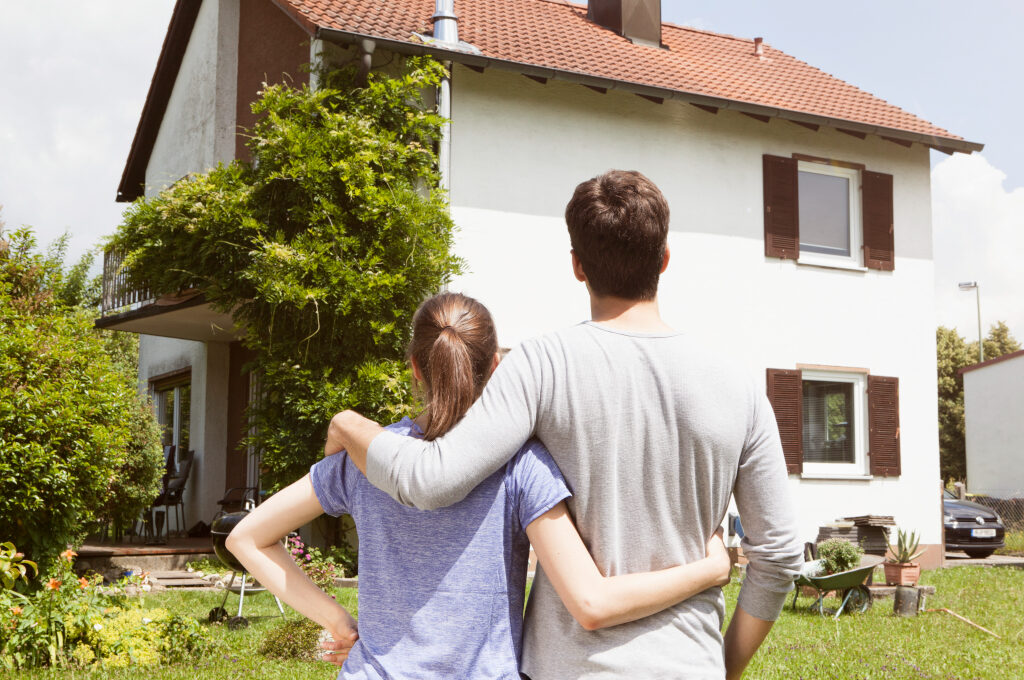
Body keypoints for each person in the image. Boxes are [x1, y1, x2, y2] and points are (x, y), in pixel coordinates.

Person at [323, 171, 805, 679]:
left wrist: (349, 424)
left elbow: (432, 480)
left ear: (577, 266)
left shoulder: (542, 365)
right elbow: (779, 554)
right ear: (664, 260)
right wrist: (722, 668)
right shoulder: (738, 384)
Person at [227, 291, 733, 679]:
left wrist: (337, 621)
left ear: (414, 368)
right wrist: (711, 568)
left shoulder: (367, 458)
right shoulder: (520, 465)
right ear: (496, 366)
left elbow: (245, 538)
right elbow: (592, 602)